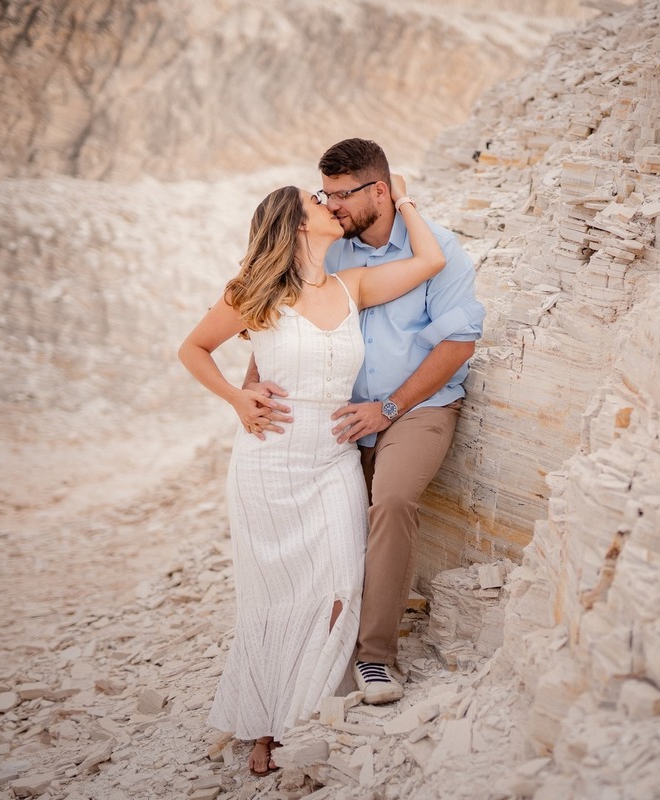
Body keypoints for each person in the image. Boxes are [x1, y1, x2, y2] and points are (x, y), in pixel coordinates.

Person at [177, 175, 446, 775]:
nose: (330, 206)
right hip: (269, 460)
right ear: (299, 224)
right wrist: (237, 399)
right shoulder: (256, 292)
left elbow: (431, 259)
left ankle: (305, 711)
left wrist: (401, 199)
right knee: (271, 597)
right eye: (317, 202)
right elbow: (192, 349)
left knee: (338, 580)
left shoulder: (351, 287)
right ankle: (266, 725)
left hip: (331, 459)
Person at [244, 138, 485, 705]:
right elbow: (282, 313)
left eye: (342, 195)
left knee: (392, 499)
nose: (331, 207)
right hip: (344, 414)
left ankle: (375, 658)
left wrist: (390, 407)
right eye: (324, 195)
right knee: (324, 520)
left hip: (416, 408)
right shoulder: (335, 251)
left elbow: (458, 344)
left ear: (380, 190)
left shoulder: (441, 249)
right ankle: (299, 644)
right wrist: (253, 383)